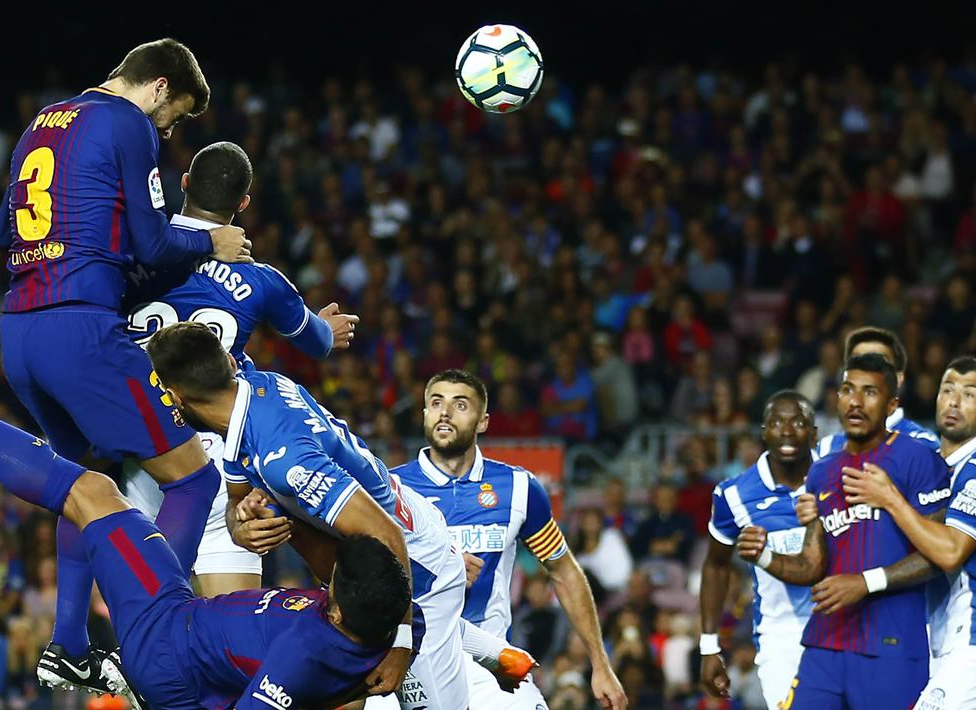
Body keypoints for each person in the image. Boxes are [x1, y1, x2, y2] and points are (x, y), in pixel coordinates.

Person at [0, 333, 418, 710]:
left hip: (165, 641)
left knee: (92, 492)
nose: (326, 583)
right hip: (191, 650)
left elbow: (381, 545)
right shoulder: (370, 623)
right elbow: (386, 592)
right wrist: (402, 638)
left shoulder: (304, 656)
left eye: (332, 586)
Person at [0, 38, 252, 693]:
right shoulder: (129, 122)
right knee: (193, 480)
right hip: (81, 329)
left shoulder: (42, 121)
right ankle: (153, 634)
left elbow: (2, 232)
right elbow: (154, 241)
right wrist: (211, 241)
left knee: (85, 484)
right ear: (159, 87)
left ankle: (70, 645)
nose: (169, 130)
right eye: (176, 115)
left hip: (18, 331)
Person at [143, 323, 469, 709]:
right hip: (356, 579)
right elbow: (238, 503)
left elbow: (385, 535)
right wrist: (242, 527)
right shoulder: (254, 392)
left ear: (174, 398)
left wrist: (402, 641)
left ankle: (481, 651)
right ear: (229, 362)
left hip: (415, 577)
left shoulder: (288, 459)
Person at [123, 141, 359, 596]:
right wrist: (327, 330)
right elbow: (318, 342)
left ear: (184, 184)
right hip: (218, 457)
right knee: (230, 625)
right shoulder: (261, 279)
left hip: (140, 450)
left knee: (148, 616)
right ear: (244, 203)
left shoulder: (133, 256)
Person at [391, 370, 628, 710]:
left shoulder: (518, 488)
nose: (445, 412)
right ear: (425, 413)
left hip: (490, 662)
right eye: (436, 403)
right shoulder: (390, 490)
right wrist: (440, 569)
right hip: (411, 659)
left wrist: (600, 663)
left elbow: (563, 570)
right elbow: (358, 574)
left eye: (460, 404)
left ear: (483, 422)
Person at [736, 354, 950, 709]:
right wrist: (764, 555)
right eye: (848, 390)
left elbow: (941, 553)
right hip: (825, 642)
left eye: (870, 392)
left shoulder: (918, 458)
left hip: (891, 645)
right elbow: (812, 564)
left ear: (891, 405)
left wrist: (865, 582)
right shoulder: (822, 472)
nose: (856, 401)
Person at [842, 356, 976, 707]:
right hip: (954, 636)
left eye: (969, 394)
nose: (954, 402)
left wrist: (891, 499)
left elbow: (949, 553)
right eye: (947, 390)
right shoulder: (937, 468)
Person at [700, 390, 817, 708]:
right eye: (777, 423)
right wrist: (709, 647)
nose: (787, 431)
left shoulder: (838, 480)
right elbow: (715, 566)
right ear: (764, 432)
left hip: (847, 628)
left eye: (798, 422)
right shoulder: (733, 494)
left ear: (814, 432)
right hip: (782, 639)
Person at [816, 327, 938, 456]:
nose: (865, 373)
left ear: (898, 379)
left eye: (879, 364)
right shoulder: (827, 447)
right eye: (857, 363)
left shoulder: (923, 444)